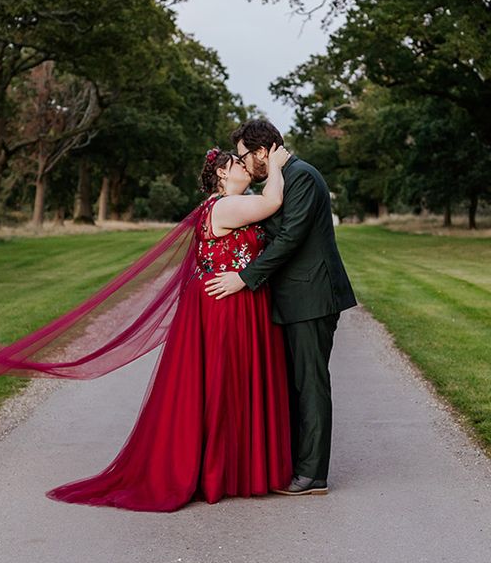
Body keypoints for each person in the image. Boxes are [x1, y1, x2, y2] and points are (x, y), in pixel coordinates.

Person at [47, 145, 293, 511]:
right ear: (223, 175)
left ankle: (234, 469)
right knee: (225, 383)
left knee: (235, 383)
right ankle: (217, 471)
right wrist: (275, 164)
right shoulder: (224, 205)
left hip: (232, 300)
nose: (245, 167)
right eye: (238, 164)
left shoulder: (228, 203)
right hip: (224, 304)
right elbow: (273, 202)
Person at [205, 119, 357, 496]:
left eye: (243, 156)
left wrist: (244, 277)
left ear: (261, 152)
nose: (243, 165)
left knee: (310, 383)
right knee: (292, 383)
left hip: (312, 296)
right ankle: (293, 464)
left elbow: (289, 237)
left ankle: (312, 475)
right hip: (292, 297)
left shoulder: (301, 176)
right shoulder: (280, 177)